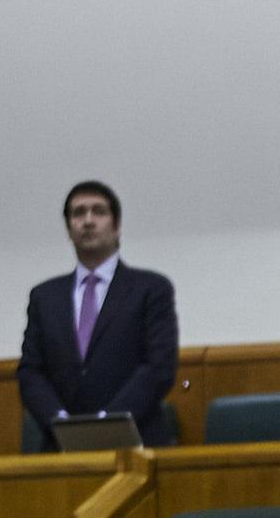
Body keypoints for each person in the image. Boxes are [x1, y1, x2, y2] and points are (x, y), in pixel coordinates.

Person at [17, 178, 182, 448]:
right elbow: (31, 372)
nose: (88, 221)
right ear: (69, 230)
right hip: (60, 447)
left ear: (116, 226)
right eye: (78, 213)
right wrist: (59, 421)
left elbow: (159, 367)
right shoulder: (44, 297)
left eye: (99, 211)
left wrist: (108, 423)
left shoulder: (150, 289)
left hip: (137, 441)